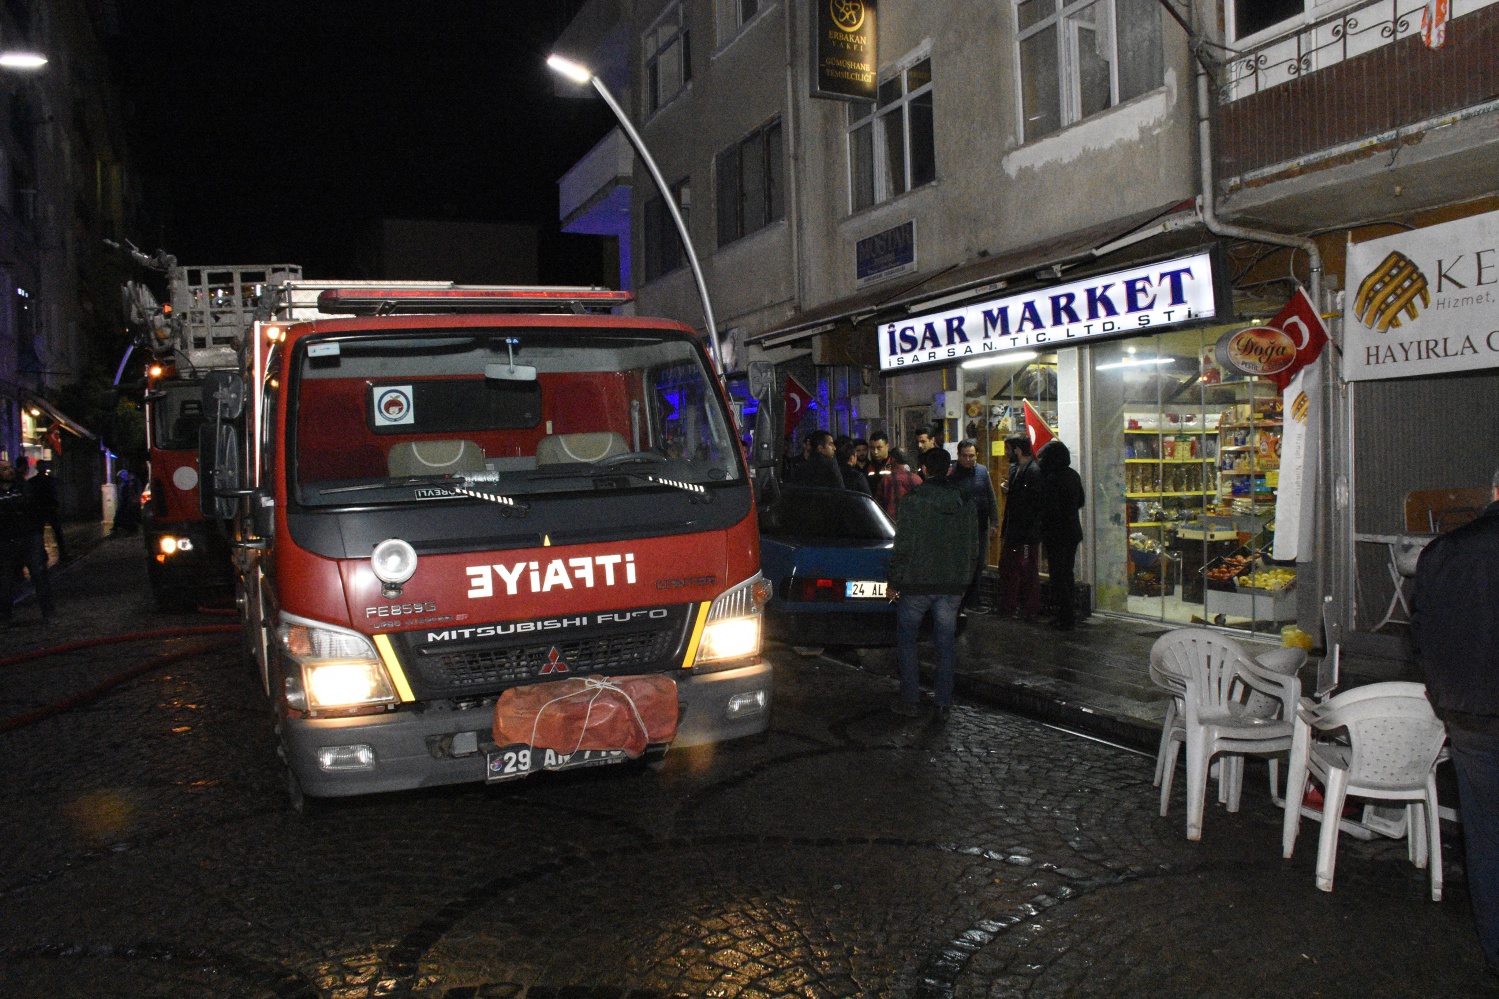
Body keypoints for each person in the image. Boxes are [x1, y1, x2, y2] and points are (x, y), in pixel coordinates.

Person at [1410, 468, 1499, 976]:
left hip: (1470, 719)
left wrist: (1448, 696)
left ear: (1492, 493)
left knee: (1486, 841)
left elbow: (1422, 636)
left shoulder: (1443, 552)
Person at [887, 447, 977, 722]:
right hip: (951, 584)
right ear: (948, 469)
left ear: (923, 470)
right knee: (945, 643)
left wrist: (894, 581)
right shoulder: (964, 501)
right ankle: (943, 702)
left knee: (907, 641)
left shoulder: (913, 501)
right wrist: (964, 581)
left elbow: (903, 547)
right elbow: (972, 546)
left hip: (916, 582)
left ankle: (911, 699)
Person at [1037, 439, 1085, 630]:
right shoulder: (1073, 475)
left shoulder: (1051, 478)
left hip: (1056, 533)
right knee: (1067, 573)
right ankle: (1068, 615)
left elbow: (1048, 508)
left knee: (1058, 576)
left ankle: (1065, 617)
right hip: (1072, 531)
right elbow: (1080, 501)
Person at [0, 457, 55, 624]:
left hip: (29, 536)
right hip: (6, 539)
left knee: (39, 573)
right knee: (5, 578)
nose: (9, 471)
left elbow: (31, 504)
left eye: (10, 468)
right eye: (4, 469)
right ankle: (5, 615)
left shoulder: (23, 485)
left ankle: (48, 611)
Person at [949, 439, 999, 613]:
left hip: (980, 526)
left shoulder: (982, 472)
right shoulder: (953, 475)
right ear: (959, 455)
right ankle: (960, 602)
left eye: (971, 456)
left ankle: (973, 601)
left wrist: (994, 521)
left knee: (979, 564)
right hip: (961, 529)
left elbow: (991, 497)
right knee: (963, 565)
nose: (968, 459)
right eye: (965, 456)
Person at [996, 435, 1042, 619]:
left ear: (1017, 450)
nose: (1006, 453)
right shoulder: (1018, 469)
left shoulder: (1032, 471)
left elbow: (1031, 504)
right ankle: (1012, 606)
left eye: (1008, 449)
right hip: (1015, 532)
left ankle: (1027, 609)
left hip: (1024, 534)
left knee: (1026, 570)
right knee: (1010, 568)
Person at [28, 458, 65, 563]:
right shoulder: (49, 480)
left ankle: (45, 554)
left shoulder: (34, 481)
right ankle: (61, 553)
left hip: (44, 509)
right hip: (46, 508)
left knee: (43, 532)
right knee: (54, 531)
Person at [874, 447, 922, 522]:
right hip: (912, 525)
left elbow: (878, 505)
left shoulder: (886, 480)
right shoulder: (917, 479)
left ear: (893, 459)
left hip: (891, 524)